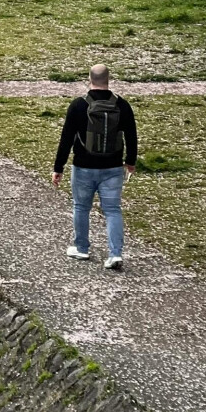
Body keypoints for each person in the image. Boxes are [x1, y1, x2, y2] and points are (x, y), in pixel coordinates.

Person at [52, 64, 137, 271]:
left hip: (83, 167)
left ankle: (82, 248)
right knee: (112, 210)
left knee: (81, 207)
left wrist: (58, 168)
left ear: (89, 79)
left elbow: (66, 139)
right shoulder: (122, 105)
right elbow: (132, 135)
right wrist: (130, 161)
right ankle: (115, 253)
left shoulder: (78, 106)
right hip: (113, 168)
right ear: (109, 79)